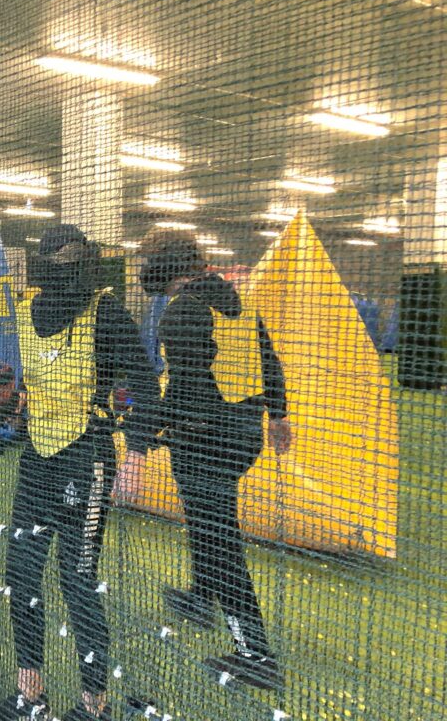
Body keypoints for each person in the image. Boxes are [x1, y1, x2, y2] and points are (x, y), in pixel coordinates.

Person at [0, 225, 162, 721]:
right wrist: (14, 404)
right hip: (37, 459)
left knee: (78, 582)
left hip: (88, 458)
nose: (67, 270)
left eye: (74, 261)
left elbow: (146, 386)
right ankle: (30, 694)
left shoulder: (107, 313)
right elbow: (33, 379)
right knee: (21, 573)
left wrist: (137, 455)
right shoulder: (27, 310)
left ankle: (93, 706)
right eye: (59, 261)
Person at [138, 229, 291, 691]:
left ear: (166, 267)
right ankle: (201, 597)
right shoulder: (238, 299)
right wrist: (278, 416)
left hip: (206, 440)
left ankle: (255, 655)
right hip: (243, 434)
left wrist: (144, 431)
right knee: (204, 519)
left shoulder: (182, 310)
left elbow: (185, 390)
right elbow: (269, 360)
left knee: (219, 539)